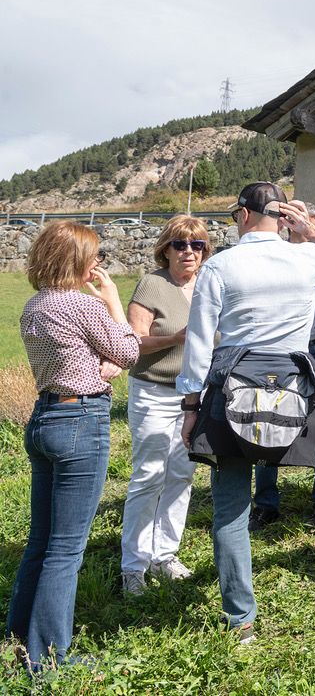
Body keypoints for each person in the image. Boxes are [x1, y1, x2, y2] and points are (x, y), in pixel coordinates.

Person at [178, 182, 315, 645]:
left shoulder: (221, 266)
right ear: (281, 215)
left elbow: (200, 343)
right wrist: (310, 228)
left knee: (230, 500)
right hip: (292, 385)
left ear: (243, 216)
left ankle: (240, 618)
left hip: (233, 388)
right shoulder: (305, 258)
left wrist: (190, 405)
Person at [8, 221, 139, 671]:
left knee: (40, 543)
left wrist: (95, 366)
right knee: (66, 550)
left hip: (44, 416)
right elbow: (128, 352)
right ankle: (47, 661)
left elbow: (73, 358)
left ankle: (17, 645)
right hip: (81, 421)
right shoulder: (82, 306)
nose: (99, 263)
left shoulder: (35, 306)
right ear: (77, 260)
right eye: (95, 256)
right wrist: (115, 303)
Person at [119, 215, 208, 596]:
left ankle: (165, 554)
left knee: (182, 474)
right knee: (149, 475)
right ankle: (133, 567)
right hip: (154, 391)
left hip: (195, 396)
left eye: (197, 245)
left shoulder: (208, 284)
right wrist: (175, 338)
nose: (188, 252)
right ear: (166, 249)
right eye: (180, 245)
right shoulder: (153, 284)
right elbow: (133, 341)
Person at [250, 202, 315, 531]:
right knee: (266, 421)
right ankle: (265, 503)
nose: (313, 233)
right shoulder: (277, 259)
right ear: (290, 225)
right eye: (306, 226)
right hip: (280, 353)